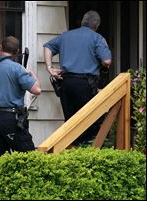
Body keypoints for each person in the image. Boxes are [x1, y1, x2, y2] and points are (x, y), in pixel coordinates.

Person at [43, 10, 112, 146]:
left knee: (70, 121)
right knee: (90, 119)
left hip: (66, 83)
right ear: (96, 25)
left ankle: (72, 150)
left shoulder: (66, 36)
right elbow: (107, 61)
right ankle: (85, 149)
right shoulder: (97, 38)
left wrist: (49, 68)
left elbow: (47, 47)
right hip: (85, 84)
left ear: (82, 22)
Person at [0, 36, 42, 156]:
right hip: (12, 118)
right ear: (17, 52)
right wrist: (32, 74)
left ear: (0, 48)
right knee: (27, 156)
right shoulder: (18, 69)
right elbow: (37, 90)